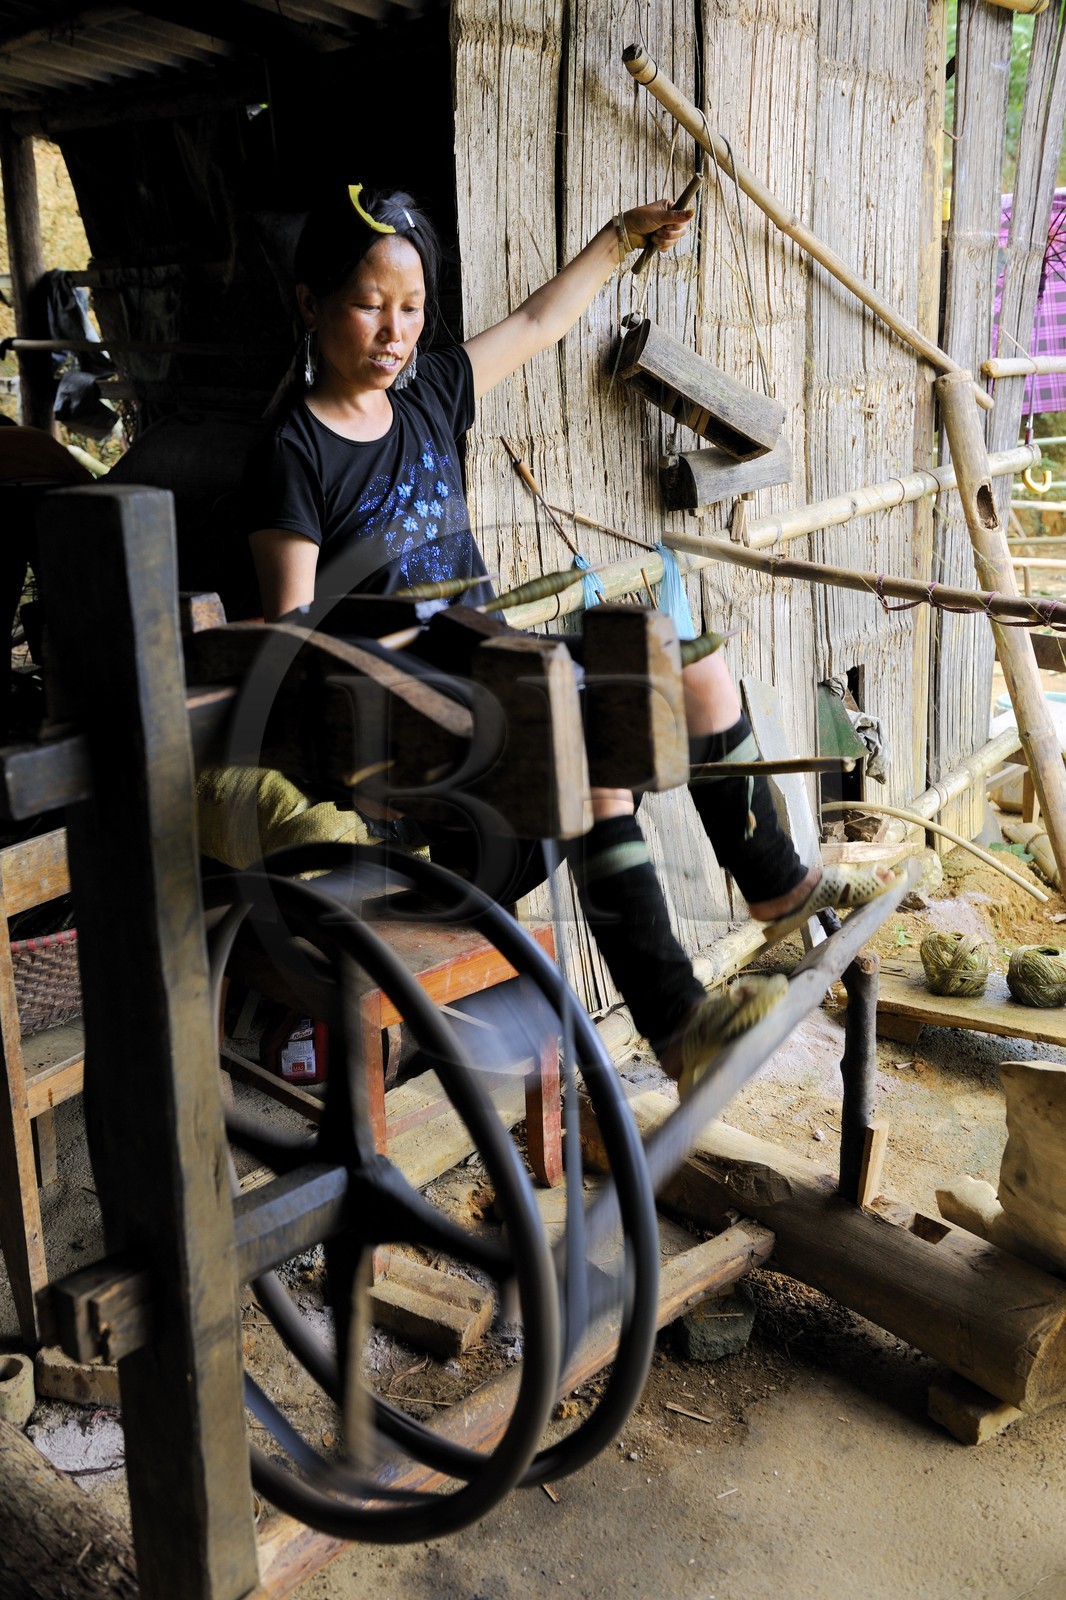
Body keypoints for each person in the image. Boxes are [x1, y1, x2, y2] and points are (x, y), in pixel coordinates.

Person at [241, 183, 895, 1094]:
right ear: (310, 304)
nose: (394, 332)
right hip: (408, 718)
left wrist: (617, 237)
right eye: (366, 306)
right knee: (585, 756)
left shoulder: (429, 393)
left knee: (695, 669)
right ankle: (676, 1023)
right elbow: (294, 645)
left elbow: (538, 321)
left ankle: (779, 887)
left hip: (492, 668)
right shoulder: (293, 451)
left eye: (412, 309)